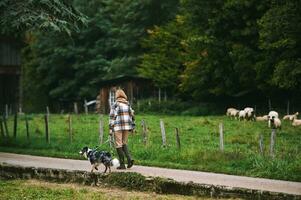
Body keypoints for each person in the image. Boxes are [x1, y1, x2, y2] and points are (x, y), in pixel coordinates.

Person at [109, 89, 135, 169]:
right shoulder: (128, 104)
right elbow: (132, 116)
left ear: (117, 96)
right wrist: (133, 127)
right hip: (127, 126)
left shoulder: (115, 104)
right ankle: (130, 159)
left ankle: (122, 164)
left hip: (118, 126)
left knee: (118, 144)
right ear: (124, 95)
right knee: (124, 143)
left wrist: (110, 128)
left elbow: (112, 117)